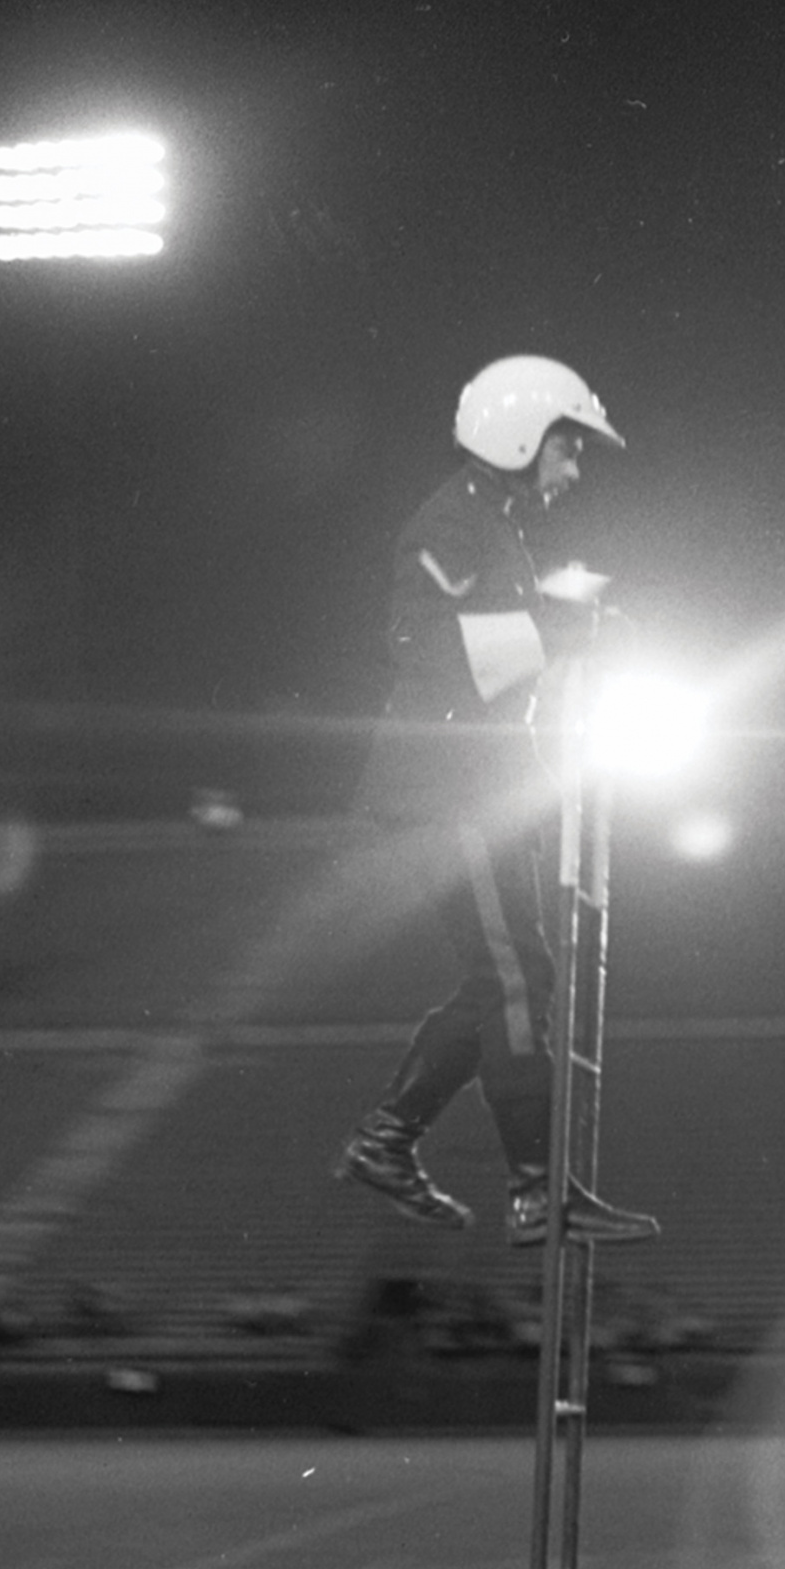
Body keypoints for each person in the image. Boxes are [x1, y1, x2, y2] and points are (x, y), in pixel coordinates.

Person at [334, 354, 659, 1248]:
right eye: (567, 448)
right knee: (514, 979)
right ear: (519, 437)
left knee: (517, 977)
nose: (574, 468)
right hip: (440, 790)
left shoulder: (495, 526)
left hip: (472, 787)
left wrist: (564, 616)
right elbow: (430, 652)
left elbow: (504, 640)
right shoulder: (448, 525)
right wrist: (566, 626)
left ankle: (387, 1139)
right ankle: (535, 1190)